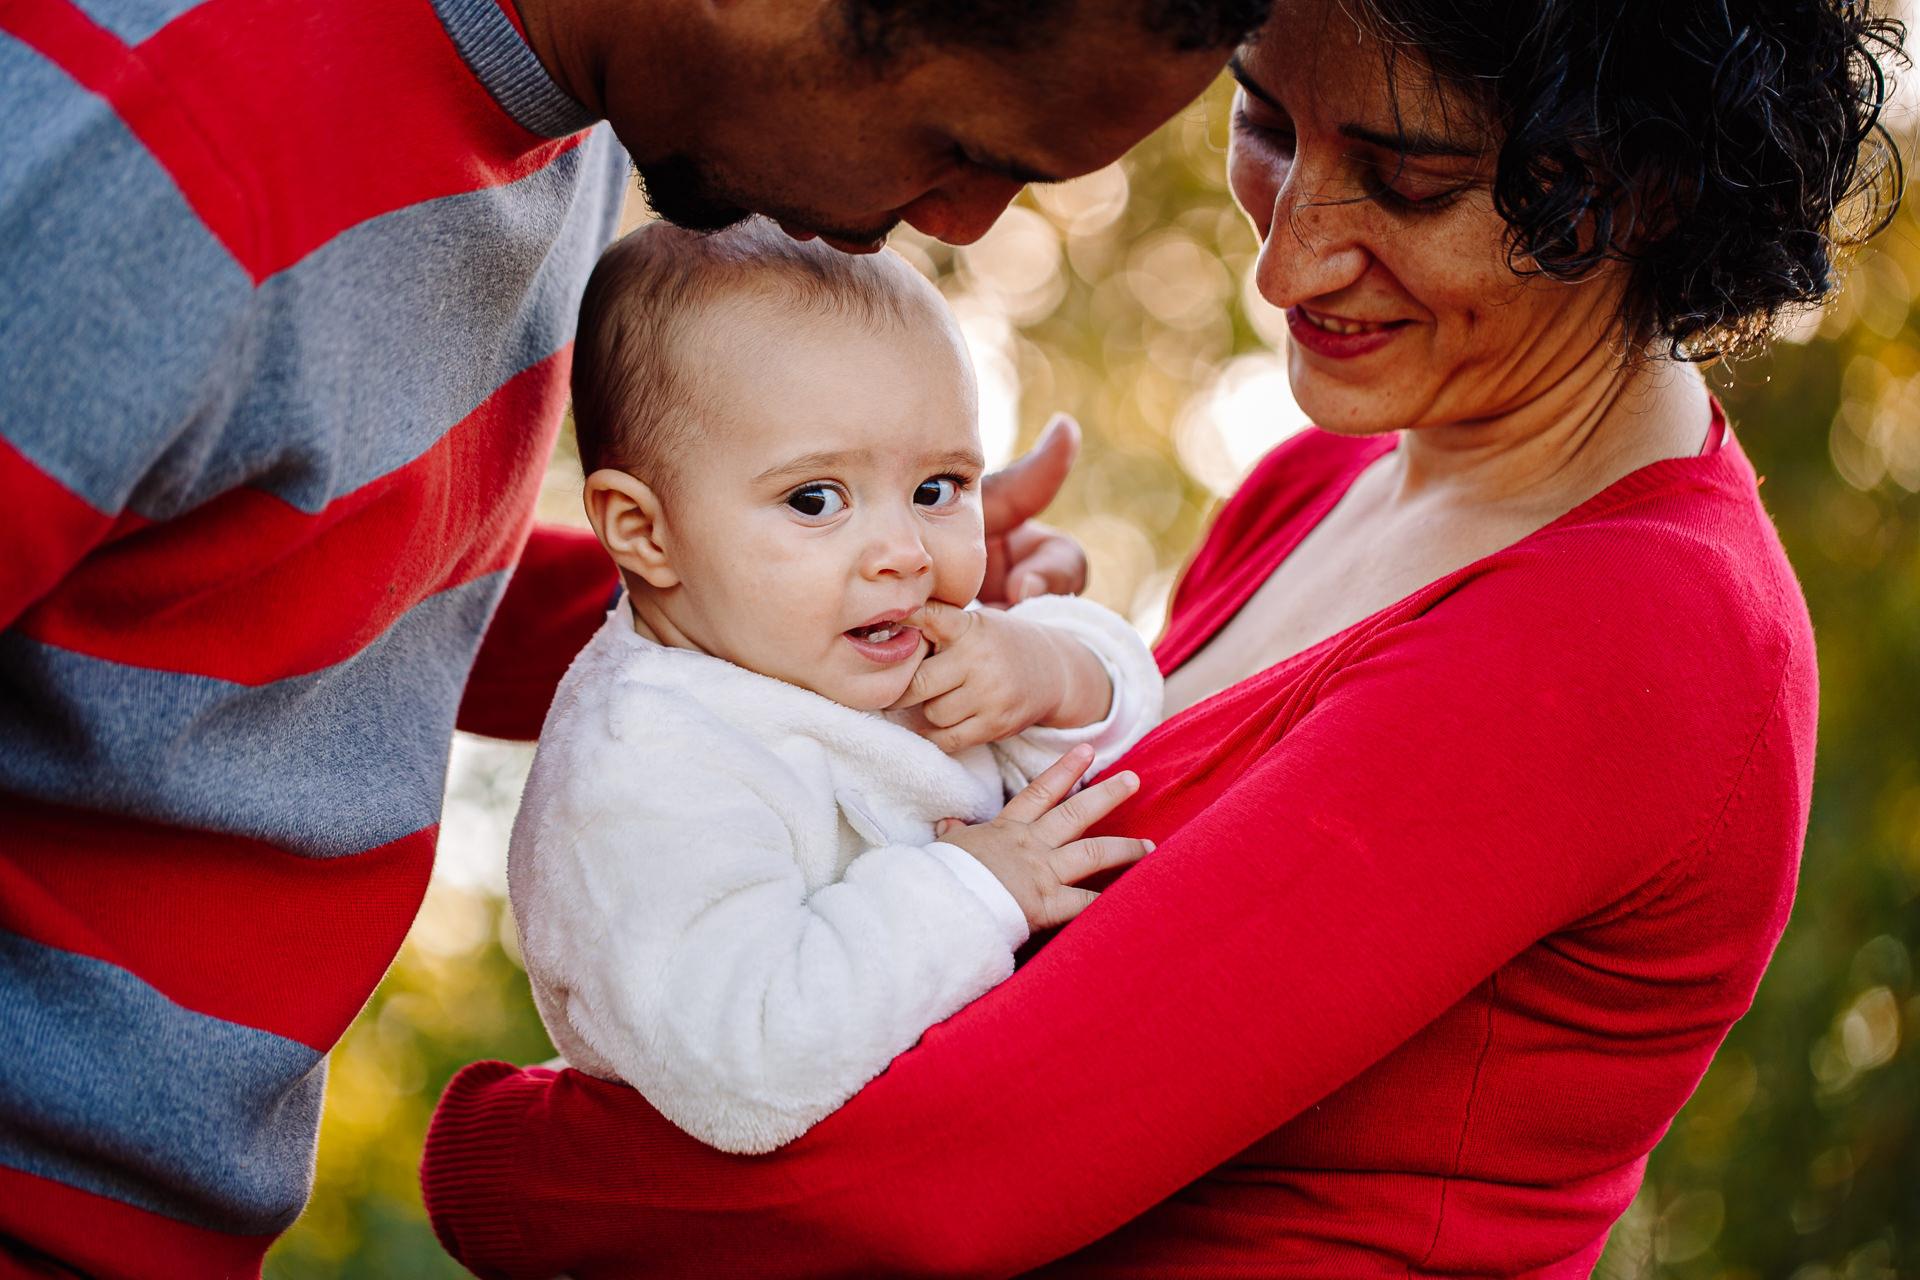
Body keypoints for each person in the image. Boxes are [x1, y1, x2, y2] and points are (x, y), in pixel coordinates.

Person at [420, 0, 1903, 1274]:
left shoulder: (1643, 631)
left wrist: (495, 1157)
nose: (1289, 259)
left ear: (1631, 183)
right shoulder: (1323, 479)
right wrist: (912, 607)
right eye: (1269, 124)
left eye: (1402, 177)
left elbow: (940, 1181)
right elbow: (788, 721)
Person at [0, 0, 1269, 1270]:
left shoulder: (607, 113)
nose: (958, 224)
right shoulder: (141, 146)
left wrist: (803, 594)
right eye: (964, 144)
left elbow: (305, 550)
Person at [513, 217, 1163, 1155]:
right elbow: (748, 1061)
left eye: (938, 488)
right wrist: (974, 888)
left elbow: (1133, 742)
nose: (904, 551)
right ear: (645, 533)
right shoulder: (645, 771)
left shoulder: (847, 646)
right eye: (816, 499)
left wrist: (1050, 672)